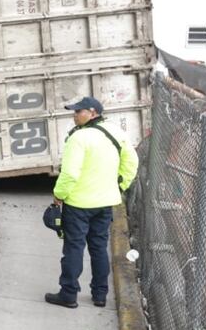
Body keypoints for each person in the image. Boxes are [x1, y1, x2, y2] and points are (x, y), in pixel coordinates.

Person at [46, 97, 139, 309]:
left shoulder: (79, 138)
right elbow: (132, 162)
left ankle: (68, 294)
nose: (74, 115)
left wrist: (59, 194)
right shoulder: (116, 133)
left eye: (78, 111)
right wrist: (119, 186)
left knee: (74, 248)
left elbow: (70, 173)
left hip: (78, 204)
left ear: (92, 112)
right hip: (105, 203)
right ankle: (100, 295)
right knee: (98, 248)